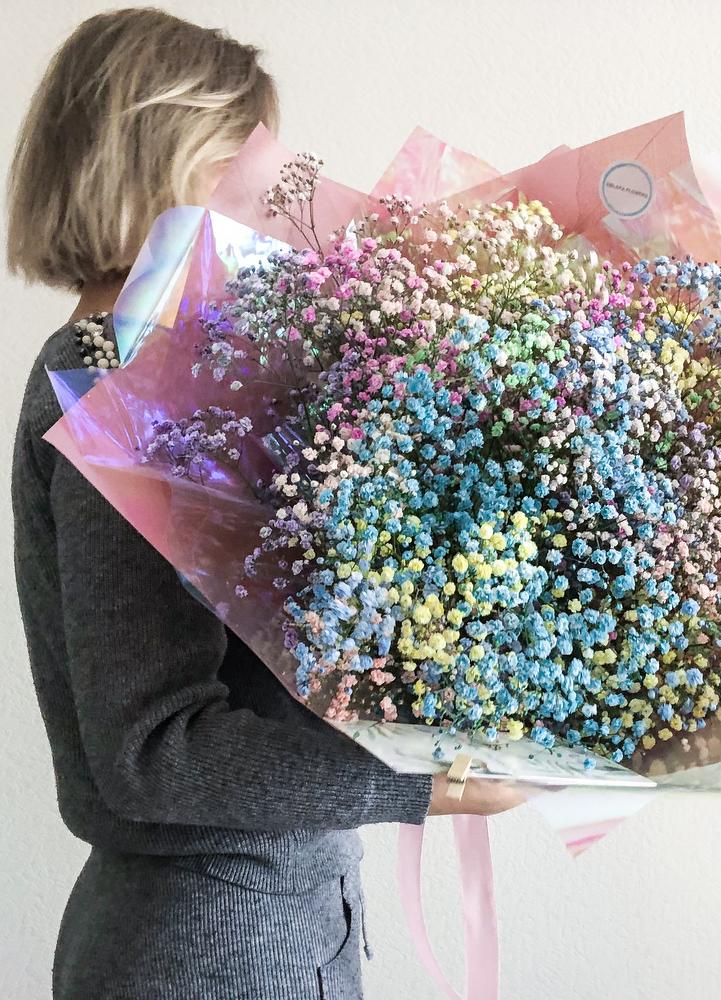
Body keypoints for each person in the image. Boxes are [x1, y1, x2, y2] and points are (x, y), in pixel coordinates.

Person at [6, 9, 521, 999]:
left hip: (265, 923)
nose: (274, 196)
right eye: (249, 162)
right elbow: (153, 752)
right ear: (164, 162)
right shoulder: (113, 381)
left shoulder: (180, 375)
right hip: (207, 945)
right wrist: (423, 780)